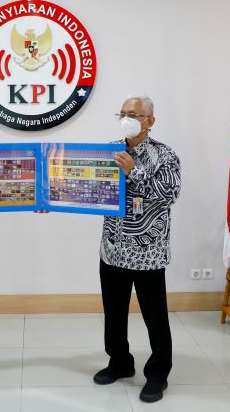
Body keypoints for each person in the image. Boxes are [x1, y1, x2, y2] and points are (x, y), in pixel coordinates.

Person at [94, 94, 181, 403]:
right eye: (122, 113)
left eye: (133, 114)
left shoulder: (164, 155)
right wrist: (51, 198)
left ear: (150, 121)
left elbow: (170, 193)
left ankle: (158, 373)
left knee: (155, 316)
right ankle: (119, 362)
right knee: (113, 313)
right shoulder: (108, 152)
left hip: (148, 253)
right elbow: (89, 189)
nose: (126, 119)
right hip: (113, 249)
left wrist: (134, 171)